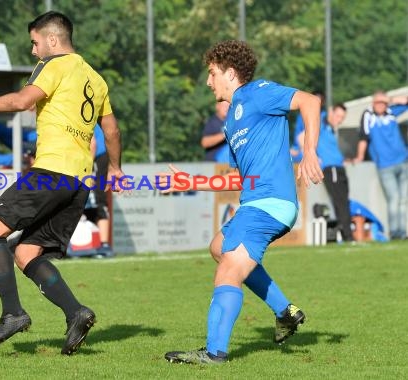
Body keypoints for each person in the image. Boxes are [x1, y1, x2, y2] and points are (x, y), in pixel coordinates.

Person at [0, 11, 125, 355]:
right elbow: (112, 130)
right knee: (26, 252)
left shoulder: (54, 64)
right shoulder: (96, 78)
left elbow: (22, 101)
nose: (33, 50)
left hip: (50, 172)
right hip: (79, 181)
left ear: (52, 40)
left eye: (34, 42)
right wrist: (115, 168)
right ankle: (76, 312)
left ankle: (13, 313)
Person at [159, 40, 323, 365]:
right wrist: (190, 183)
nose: (208, 82)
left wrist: (309, 151)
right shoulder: (232, 122)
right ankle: (285, 312)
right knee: (219, 247)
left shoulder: (258, 93)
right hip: (258, 202)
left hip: (269, 202)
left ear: (231, 73)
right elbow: (238, 178)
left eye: (212, 73)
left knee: (229, 270)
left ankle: (214, 352)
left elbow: (311, 101)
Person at [354, 91, 408, 240]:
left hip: (403, 161)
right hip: (385, 165)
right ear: (372, 103)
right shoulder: (368, 116)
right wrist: (359, 156)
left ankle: (403, 232)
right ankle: (395, 232)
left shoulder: (391, 113)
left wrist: (390, 99)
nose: (381, 105)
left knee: (403, 200)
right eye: (378, 102)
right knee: (394, 198)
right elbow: (363, 137)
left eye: (383, 103)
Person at [298, 103, 353, 242]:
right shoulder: (320, 122)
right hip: (331, 168)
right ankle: (348, 236)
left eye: (342, 117)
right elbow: (301, 137)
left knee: (343, 201)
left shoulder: (330, 128)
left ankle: (344, 233)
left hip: (338, 167)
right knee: (341, 202)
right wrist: (311, 156)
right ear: (330, 112)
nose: (339, 120)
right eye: (338, 115)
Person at [86, 124, 113, 256]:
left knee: (98, 200)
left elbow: (92, 143)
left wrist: (88, 171)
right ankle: (83, 244)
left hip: (96, 157)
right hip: (86, 159)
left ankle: (104, 245)